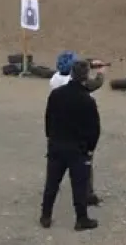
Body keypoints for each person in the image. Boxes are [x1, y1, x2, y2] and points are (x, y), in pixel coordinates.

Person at [40, 59, 102, 232]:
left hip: (57, 145)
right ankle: (81, 219)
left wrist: (50, 139)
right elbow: (94, 129)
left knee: (51, 183)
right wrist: (90, 149)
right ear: (85, 77)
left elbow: (48, 118)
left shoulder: (56, 94)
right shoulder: (87, 101)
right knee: (79, 187)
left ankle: (45, 216)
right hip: (78, 149)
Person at [49, 50, 106, 207]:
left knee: (55, 173)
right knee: (84, 166)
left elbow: (78, 69)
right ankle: (87, 196)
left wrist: (90, 63)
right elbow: (95, 84)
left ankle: (47, 209)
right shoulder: (77, 85)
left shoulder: (55, 79)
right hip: (78, 131)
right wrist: (101, 72)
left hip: (60, 131)